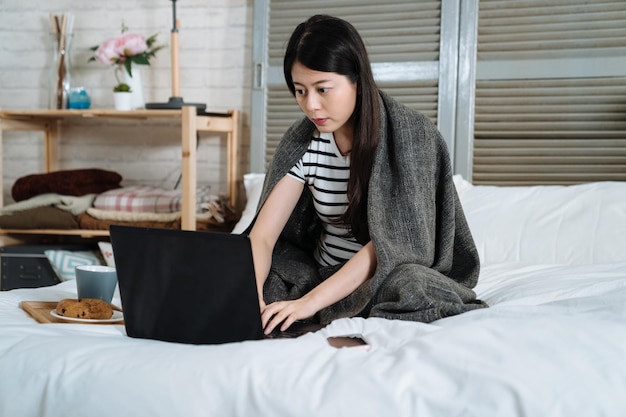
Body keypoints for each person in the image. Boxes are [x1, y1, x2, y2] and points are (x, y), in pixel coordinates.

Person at [247, 14, 487, 335]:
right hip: (321, 272)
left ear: (357, 80)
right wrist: (252, 296)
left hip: (383, 275)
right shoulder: (304, 141)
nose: (311, 105)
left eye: (323, 89)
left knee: (413, 287)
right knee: (253, 274)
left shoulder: (411, 136)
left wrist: (309, 304)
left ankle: (335, 311)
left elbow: (392, 246)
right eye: (300, 90)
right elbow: (263, 236)